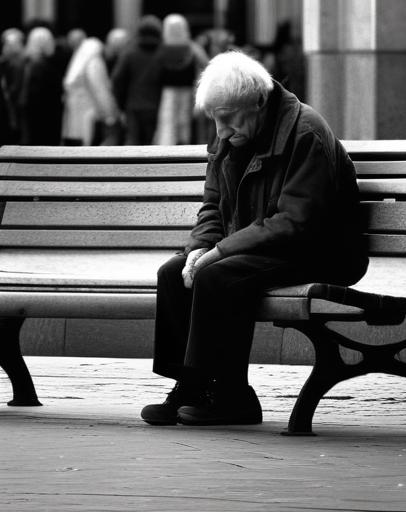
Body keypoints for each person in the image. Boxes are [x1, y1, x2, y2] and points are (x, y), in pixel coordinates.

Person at [141, 50, 368, 426]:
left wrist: (220, 252)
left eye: (227, 119)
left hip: (319, 250)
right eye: (214, 119)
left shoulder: (305, 132)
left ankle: (232, 396)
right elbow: (213, 205)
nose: (220, 131)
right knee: (175, 271)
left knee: (218, 275)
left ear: (259, 102)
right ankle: (190, 385)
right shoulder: (229, 136)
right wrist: (201, 246)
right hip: (264, 246)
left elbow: (296, 222)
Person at [153, 14, 209, 145]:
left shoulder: (162, 49)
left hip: (182, 91)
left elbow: (205, 66)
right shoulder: (191, 48)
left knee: (173, 121)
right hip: (172, 91)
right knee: (174, 121)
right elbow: (206, 65)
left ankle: (175, 145)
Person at [112, 15, 162, 145]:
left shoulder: (129, 51)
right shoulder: (162, 52)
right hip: (156, 105)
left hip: (133, 105)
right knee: (153, 146)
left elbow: (117, 79)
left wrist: (121, 103)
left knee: (133, 144)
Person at [61, 37, 119, 146]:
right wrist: (109, 114)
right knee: (88, 144)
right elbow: (99, 89)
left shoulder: (78, 61)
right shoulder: (94, 62)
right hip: (89, 110)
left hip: (76, 110)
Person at [18, 26, 63, 145]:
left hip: (31, 112)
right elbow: (40, 93)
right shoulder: (40, 63)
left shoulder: (29, 60)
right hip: (43, 115)